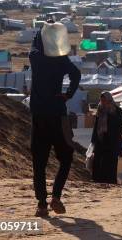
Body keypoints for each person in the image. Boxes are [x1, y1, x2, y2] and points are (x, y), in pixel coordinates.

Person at [29, 25, 81, 217]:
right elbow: (76, 74)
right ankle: (56, 196)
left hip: (39, 116)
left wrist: (42, 31)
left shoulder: (34, 57)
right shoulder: (60, 59)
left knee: (39, 163)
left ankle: (42, 204)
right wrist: (68, 94)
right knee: (66, 157)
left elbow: (36, 44)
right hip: (57, 115)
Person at [91, 91, 122, 184]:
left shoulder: (117, 111)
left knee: (110, 161)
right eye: (101, 100)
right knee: (98, 161)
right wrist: (93, 140)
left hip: (112, 141)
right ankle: (98, 180)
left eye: (104, 100)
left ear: (109, 100)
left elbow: (121, 126)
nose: (103, 102)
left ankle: (110, 181)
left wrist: (113, 134)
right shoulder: (100, 110)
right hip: (100, 140)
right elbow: (96, 126)